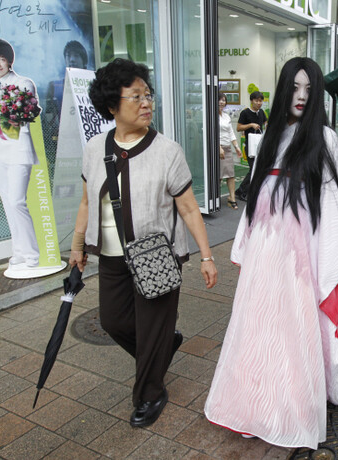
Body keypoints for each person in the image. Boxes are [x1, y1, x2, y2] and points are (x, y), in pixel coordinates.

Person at [204, 57, 338, 449]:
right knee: (257, 326)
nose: (301, 96)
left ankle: (290, 409)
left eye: (309, 89)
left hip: (299, 259)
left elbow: (335, 209)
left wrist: (331, 265)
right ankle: (249, 405)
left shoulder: (326, 141)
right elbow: (255, 198)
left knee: (292, 327)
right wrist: (245, 246)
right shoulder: (271, 135)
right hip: (265, 252)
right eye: (294, 88)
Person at [69, 58, 217, 427]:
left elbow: (188, 207)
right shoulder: (94, 147)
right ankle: (161, 346)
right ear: (111, 105)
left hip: (155, 256)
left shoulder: (168, 151)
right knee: (113, 321)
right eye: (135, 96)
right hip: (112, 258)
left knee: (152, 328)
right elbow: (88, 200)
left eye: (148, 95)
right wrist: (76, 246)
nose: (146, 103)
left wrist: (206, 256)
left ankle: (150, 393)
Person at [0, 38, 40, 268]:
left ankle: (32, 253)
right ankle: (20, 251)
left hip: (18, 150)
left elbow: (23, 116)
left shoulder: (24, 83)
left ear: (9, 61)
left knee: (17, 201)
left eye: (1, 59)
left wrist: (4, 124)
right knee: (7, 203)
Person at [235, 91, 267, 201]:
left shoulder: (261, 112)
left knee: (257, 169)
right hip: (250, 146)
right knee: (254, 169)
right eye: (257, 100)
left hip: (260, 145)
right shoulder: (245, 113)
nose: (259, 103)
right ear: (251, 101)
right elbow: (238, 128)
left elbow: (265, 124)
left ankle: (242, 190)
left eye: (261, 101)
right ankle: (242, 191)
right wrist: (250, 125)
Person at [218, 93, 242, 209]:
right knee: (218, 175)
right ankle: (214, 198)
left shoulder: (226, 116)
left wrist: (237, 147)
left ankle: (231, 197)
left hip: (227, 148)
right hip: (217, 149)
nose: (222, 102)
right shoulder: (211, 115)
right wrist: (218, 147)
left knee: (230, 174)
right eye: (219, 100)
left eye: (223, 100)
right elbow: (209, 132)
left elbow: (231, 132)